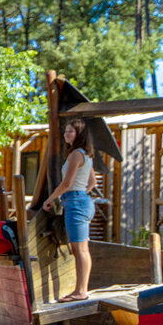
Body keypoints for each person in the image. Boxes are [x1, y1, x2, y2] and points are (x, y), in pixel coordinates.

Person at [42, 118, 96, 302]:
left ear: (79, 134)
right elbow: (92, 183)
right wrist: (80, 194)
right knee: (82, 249)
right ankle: (82, 289)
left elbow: (66, 183)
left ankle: (81, 291)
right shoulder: (86, 155)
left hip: (76, 203)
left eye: (71, 131)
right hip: (83, 201)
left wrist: (51, 198)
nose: (66, 134)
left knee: (79, 250)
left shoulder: (75, 155)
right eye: (65, 131)